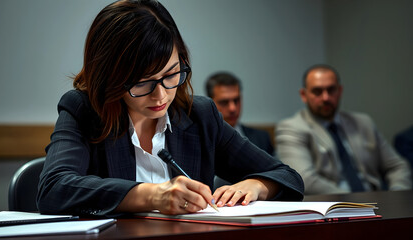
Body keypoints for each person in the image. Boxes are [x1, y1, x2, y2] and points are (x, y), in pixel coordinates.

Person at [37, 0, 303, 217]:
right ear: (111, 77)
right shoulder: (82, 109)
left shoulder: (199, 115)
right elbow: (53, 189)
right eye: (143, 83)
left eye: (171, 74)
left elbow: (286, 175)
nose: (162, 95)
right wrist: (151, 194)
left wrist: (256, 185)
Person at [275, 64, 411, 195]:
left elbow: (397, 166)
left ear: (339, 91)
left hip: (378, 204)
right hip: (332, 209)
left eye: (331, 90)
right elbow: (305, 179)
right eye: (317, 91)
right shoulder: (291, 128)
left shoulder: (363, 122)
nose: (325, 97)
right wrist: (355, 204)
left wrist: (396, 193)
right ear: (304, 95)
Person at [205, 72, 274, 155]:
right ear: (210, 103)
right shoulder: (203, 140)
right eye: (224, 102)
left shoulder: (261, 138)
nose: (232, 108)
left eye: (236, 100)